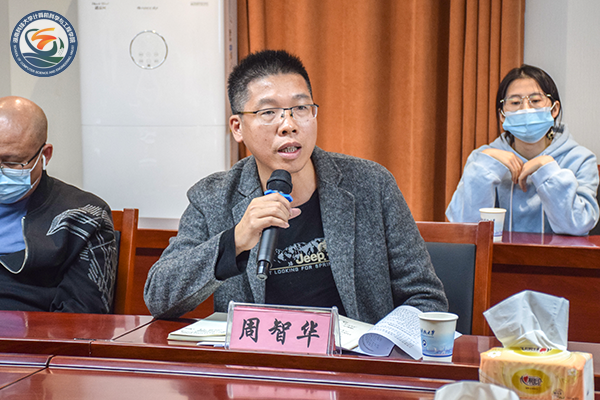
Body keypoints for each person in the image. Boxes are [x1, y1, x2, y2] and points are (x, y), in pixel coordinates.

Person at [144, 50, 448, 322]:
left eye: (301, 108)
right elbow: (159, 298)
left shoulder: (372, 184)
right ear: (238, 128)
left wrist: (380, 343)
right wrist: (235, 240)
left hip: (353, 361)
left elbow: (426, 298)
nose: (289, 125)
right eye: (268, 112)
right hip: (257, 363)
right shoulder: (212, 198)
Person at [446, 65, 599, 235]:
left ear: (554, 109)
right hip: (497, 253)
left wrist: (548, 169)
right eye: (515, 102)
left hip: (558, 253)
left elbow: (579, 225)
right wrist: (487, 164)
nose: (526, 109)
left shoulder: (580, 159)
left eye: (535, 100)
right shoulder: (481, 159)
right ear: (502, 115)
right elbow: (463, 227)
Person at [0, 96, 117, 313]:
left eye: (12, 162)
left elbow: (83, 315)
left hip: (35, 331)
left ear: (45, 155)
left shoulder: (85, 217)